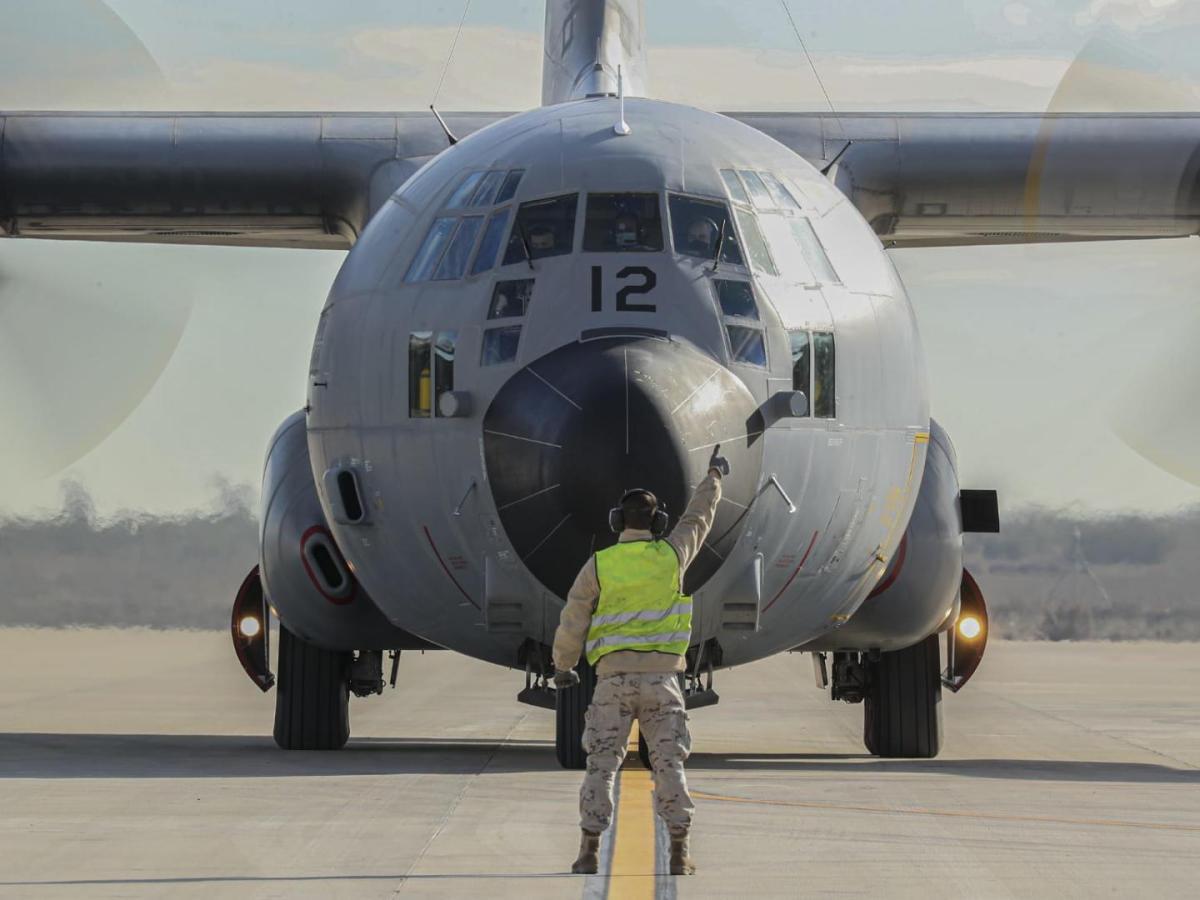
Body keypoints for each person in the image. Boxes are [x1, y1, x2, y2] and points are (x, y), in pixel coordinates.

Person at [552, 446, 730, 877]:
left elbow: (574, 616)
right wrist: (714, 477)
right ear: (658, 523)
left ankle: (589, 851)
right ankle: (678, 852)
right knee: (669, 765)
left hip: (612, 682)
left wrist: (563, 665)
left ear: (618, 521)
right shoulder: (671, 557)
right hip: (663, 683)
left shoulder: (600, 564)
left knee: (601, 766)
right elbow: (699, 518)